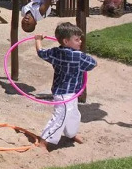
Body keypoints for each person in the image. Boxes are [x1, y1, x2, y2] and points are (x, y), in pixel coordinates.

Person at [35, 22, 97, 150]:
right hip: (66, 94)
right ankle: (44, 141)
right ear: (66, 41)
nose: (80, 41)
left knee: (73, 113)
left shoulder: (55, 52)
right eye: (77, 39)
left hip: (64, 92)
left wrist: (38, 40)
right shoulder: (78, 56)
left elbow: (41, 53)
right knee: (60, 117)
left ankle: (71, 134)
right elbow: (93, 64)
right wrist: (85, 57)